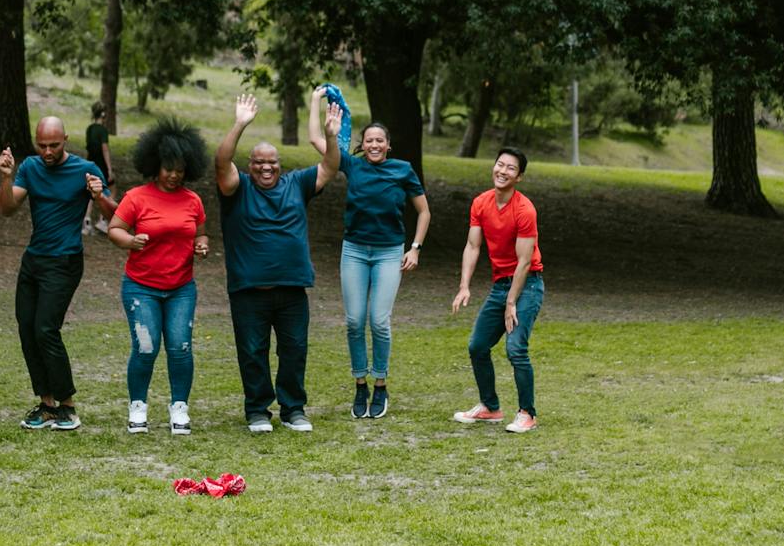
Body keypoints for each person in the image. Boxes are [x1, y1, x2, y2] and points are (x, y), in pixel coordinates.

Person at [215, 92, 342, 433]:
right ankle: (257, 410)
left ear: (280, 164)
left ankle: (293, 409)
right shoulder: (237, 187)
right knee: (253, 352)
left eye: (272, 162)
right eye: (259, 162)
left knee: (294, 350)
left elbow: (331, 167)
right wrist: (240, 124)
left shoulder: (297, 184)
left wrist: (331, 136)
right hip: (248, 291)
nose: (266, 167)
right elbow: (221, 162)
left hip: (291, 289)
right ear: (250, 165)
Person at [309, 90, 432, 419]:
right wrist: (315, 101)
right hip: (355, 251)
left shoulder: (403, 170)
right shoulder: (350, 164)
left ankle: (381, 384)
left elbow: (424, 212)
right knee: (353, 321)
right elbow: (314, 139)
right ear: (362, 145)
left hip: (390, 252)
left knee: (378, 321)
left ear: (388, 145)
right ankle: (360, 384)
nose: (375, 145)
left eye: (380, 140)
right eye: (369, 141)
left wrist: (415, 248)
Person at [0, 117, 117, 431]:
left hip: (64, 261)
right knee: (27, 329)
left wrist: (98, 195)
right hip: (34, 260)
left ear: (65, 139)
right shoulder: (30, 168)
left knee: (46, 329)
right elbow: (8, 209)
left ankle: (68, 407)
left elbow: (116, 217)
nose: (48, 151)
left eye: (54, 145)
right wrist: (7, 178)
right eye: (42, 145)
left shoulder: (85, 169)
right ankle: (47, 404)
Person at [108, 118, 210, 434]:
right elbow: (114, 229)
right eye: (168, 168)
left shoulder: (193, 200)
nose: (174, 174)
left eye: (180, 168)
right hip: (141, 287)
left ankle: (179, 407)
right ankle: (138, 406)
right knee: (146, 347)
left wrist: (201, 246)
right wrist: (131, 241)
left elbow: (201, 234)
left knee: (180, 347)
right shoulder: (137, 197)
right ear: (155, 165)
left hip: (181, 288)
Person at [450, 147, 545, 433]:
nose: (502, 171)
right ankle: (490, 408)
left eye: (511, 168)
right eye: (499, 165)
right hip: (501, 284)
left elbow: (525, 261)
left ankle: (527, 413)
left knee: (516, 348)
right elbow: (472, 246)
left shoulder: (524, 210)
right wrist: (464, 286)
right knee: (477, 346)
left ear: (520, 177)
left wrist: (512, 302)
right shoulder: (481, 203)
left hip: (527, 285)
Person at [83, 101, 113, 236]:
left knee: (90, 192)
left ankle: (87, 221)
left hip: (91, 163)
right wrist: (110, 169)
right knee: (109, 189)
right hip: (101, 165)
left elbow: (88, 148)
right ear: (104, 114)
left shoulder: (89, 129)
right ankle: (103, 219)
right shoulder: (103, 131)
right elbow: (105, 149)